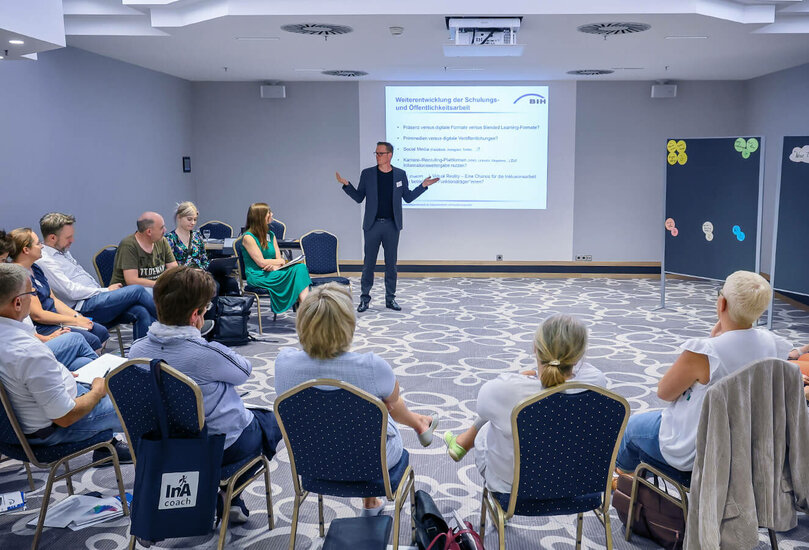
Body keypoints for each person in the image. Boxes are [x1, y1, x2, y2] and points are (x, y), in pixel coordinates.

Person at [129, 266, 281, 524]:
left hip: (164, 445)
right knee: (272, 423)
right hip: (216, 447)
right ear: (195, 316)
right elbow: (244, 372)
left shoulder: (136, 351)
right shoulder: (205, 354)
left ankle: (223, 497)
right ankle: (230, 494)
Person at [274, 283, 438, 516]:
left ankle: (371, 501)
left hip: (312, 461)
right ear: (347, 325)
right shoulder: (372, 367)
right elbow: (394, 400)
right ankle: (419, 425)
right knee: (378, 409)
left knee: (341, 413)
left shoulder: (284, 364)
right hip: (372, 463)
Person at [616, 271, 792, 477]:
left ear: (722, 304)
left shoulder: (705, 352)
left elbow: (664, 393)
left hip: (696, 452)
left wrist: (712, 341)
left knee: (631, 429)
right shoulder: (771, 342)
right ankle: (638, 480)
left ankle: (623, 482)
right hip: (744, 448)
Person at [442, 314, 606, 493]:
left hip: (512, 489)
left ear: (535, 347)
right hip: (576, 486)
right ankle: (463, 442)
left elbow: (482, 408)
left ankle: (463, 442)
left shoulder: (506, 389)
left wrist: (522, 379)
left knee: (491, 423)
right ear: (580, 353)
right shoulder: (597, 383)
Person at [0, 263, 130, 460]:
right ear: (18, 303)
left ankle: (107, 449)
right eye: (32, 294)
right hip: (56, 429)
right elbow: (66, 417)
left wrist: (57, 375)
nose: (35, 297)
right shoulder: (29, 352)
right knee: (141, 400)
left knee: (81, 361)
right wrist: (97, 391)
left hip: (33, 414)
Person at [336, 141, 439, 312]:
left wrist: (422, 187)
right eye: (376, 153)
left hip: (392, 226)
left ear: (389, 155)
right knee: (368, 264)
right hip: (372, 225)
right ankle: (364, 299)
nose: (377, 156)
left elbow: (408, 197)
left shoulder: (400, 174)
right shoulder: (367, 174)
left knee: (391, 265)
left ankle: (390, 299)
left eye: (380, 153)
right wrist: (347, 185)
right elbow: (359, 197)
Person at [36, 212, 157, 341]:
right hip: (82, 307)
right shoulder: (45, 260)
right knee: (137, 290)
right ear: (53, 238)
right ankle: (172, 323)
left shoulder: (63, 251)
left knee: (141, 311)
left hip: (96, 299)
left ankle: (143, 357)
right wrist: (106, 290)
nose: (72, 240)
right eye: (68, 237)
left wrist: (104, 292)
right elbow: (70, 291)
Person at [1, 229, 95, 370]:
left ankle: (102, 379)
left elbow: (26, 329)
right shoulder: (14, 282)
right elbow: (37, 316)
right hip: (28, 356)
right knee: (78, 339)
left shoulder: (33, 270)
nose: (5, 264)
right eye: (2, 260)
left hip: (34, 343)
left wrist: (45, 338)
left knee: (84, 363)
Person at [10, 228, 109, 352]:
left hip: (56, 319)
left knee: (101, 331)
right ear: (26, 250)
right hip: (43, 326)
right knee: (92, 340)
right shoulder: (20, 276)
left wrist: (77, 316)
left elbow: (53, 299)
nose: (42, 246)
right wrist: (74, 321)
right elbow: (38, 315)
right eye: (38, 243)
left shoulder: (35, 268)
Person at [240, 202, 311, 313]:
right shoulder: (248, 237)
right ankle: (307, 311)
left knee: (301, 268)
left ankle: (305, 308)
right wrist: (275, 264)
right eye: (269, 212)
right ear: (260, 216)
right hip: (258, 275)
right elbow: (261, 263)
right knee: (297, 276)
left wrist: (275, 266)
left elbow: (281, 260)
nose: (272, 214)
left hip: (273, 271)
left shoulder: (271, 234)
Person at [166, 201, 239, 296]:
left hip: (202, 274)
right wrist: (193, 271)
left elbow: (204, 258)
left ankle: (232, 309)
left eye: (195, 220)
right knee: (214, 286)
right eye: (189, 219)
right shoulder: (170, 239)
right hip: (185, 277)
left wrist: (213, 267)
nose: (193, 223)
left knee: (231, 283)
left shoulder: (197, 235)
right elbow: (172, 268)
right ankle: (209, 310)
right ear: (179, 217)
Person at [110, 212, 177, 287]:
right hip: (131, 293)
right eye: (161, 228)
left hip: (156, 290)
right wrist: (161, 285)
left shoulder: (162, 241)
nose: (165, 230)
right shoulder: (128, 245)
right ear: (149, 232)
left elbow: (174, 269)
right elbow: (132, 281)